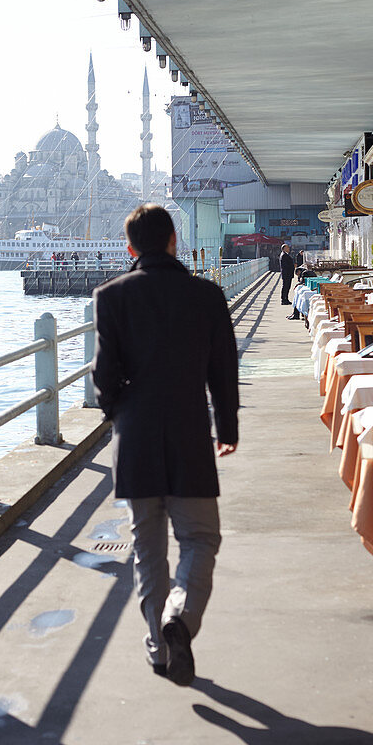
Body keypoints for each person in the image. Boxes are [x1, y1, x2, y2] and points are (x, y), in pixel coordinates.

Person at [92, 204, 238, 686]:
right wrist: (228, 427)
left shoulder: (111, 297)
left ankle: (158, 647)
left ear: (130, 248)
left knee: (147, 548)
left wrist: (121, 413)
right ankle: (181, 616)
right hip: (189, 430)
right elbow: (223, 369)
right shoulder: (206, 295)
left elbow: (104, 376)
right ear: (175, 240)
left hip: (135, 437)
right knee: (200, 538)